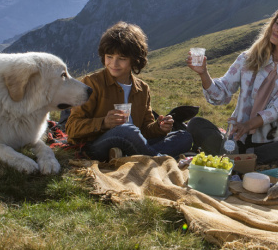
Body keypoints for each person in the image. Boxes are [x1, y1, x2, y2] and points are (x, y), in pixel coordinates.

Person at [186, 4, 278, 168]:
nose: (277, 29)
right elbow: (220, 94)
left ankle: (235, 160)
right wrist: (203, 74)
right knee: (196, 124)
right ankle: (244, 161)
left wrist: (250, 124)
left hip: (271, 141)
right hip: (236, 137)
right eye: (277, 23)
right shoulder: (247, 59)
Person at [65, 22, 192, 161]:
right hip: (98, 146)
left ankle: (129, 158)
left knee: (184, 136)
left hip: (133, 143)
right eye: (109, 57)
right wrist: (104, 123)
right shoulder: (92, 83)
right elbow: (71, 128)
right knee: (126, 130)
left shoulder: (142, 89)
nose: (114, 64)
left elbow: (145, 131)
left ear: (135, 59)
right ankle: (157, 159)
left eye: (122, 59)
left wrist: (159, 127)